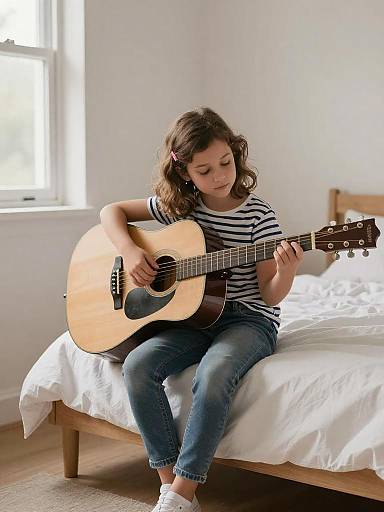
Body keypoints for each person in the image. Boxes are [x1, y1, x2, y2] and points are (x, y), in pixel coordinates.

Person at [100, 106, 304, 512]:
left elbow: (270, 295)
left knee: (213, 375)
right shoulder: (180, 206)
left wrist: (289, 271)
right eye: (205, 170)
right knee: (138, 365)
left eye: (225, 163)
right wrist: (129, 251)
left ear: (236, 154)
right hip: (192, 317)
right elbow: (112, 212)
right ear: (185, 174)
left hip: (249, 319)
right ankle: (168, 486)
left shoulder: (258, 214)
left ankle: (183, 493)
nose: (219, 176)